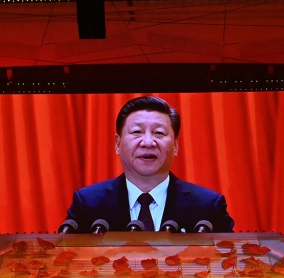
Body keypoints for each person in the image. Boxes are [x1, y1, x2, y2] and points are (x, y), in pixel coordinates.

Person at [63, 97, 234, 233]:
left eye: (159, 133)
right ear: (117, 143)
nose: (148, 142)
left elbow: (230, 261)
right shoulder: (88, 203)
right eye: (137, 132)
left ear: (175, 145)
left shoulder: (207, 205)